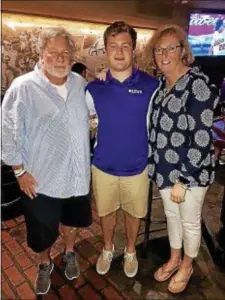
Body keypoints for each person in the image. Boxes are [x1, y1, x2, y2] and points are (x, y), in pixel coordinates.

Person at [2, 27, 92, 295]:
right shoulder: (24, 87)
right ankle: (43, 264)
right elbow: (5, 131)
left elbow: (91, 114)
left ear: (72, 55)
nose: (60, 58)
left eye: (65, 52)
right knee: (42, 230)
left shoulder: (79, 83)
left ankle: (69, 251)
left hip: (76, 175)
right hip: (42, 179)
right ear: (41, 54)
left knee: (72, 222)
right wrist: (19, 172)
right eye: (53, 52)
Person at [145, 24, 219, 293]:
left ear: (183, 51)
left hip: (191, 174)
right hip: (165, 169)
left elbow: (201, 139)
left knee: (188, 220)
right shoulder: (162, 86)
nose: (164, 55)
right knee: (171, 217)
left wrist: (184, 179)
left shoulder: (198, 84)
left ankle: (187, 265)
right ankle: (174, 258)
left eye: (171, 48)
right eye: (159, 49)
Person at [85, 21, 158, 278]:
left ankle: (129, 250)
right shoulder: (93, 88)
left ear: (134, 49)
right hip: (103, 165)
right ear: (105, 50)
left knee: (133, 214)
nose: (119, 52)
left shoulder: (151, 86)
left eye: (125, 46)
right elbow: (86, 120)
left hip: (137, 167)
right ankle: (107, 248)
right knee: (106, 213)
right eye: (113, 46)